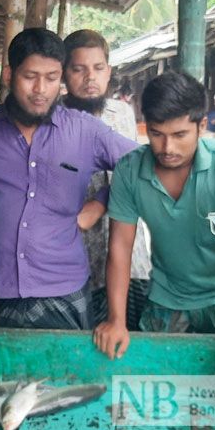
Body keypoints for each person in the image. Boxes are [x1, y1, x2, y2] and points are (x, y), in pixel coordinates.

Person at [0, 28, 137, 337]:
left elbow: (143, 166)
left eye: (51, 78)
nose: (41, 89)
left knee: (67, 384)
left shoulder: (84, 131)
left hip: (65, 293)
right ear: (9, 74)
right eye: (30, 76)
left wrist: (101, 201)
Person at [94, 71, 215, 358]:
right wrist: (116, 321)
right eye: (157, 134)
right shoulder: (129, 171)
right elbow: (120, 247)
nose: (168, 148)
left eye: (179, 135)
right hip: (165, 298)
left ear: (202, 126)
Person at [61, 28, 151, 330]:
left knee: (129, 346)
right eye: (79, 69)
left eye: (98, 68)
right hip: (76, 260)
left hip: (129, 256)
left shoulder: (122, 113)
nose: (90, 78)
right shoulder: (52, 120)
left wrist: (101, 202)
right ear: (64, 73)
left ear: (109, 71)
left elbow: (137, 169)